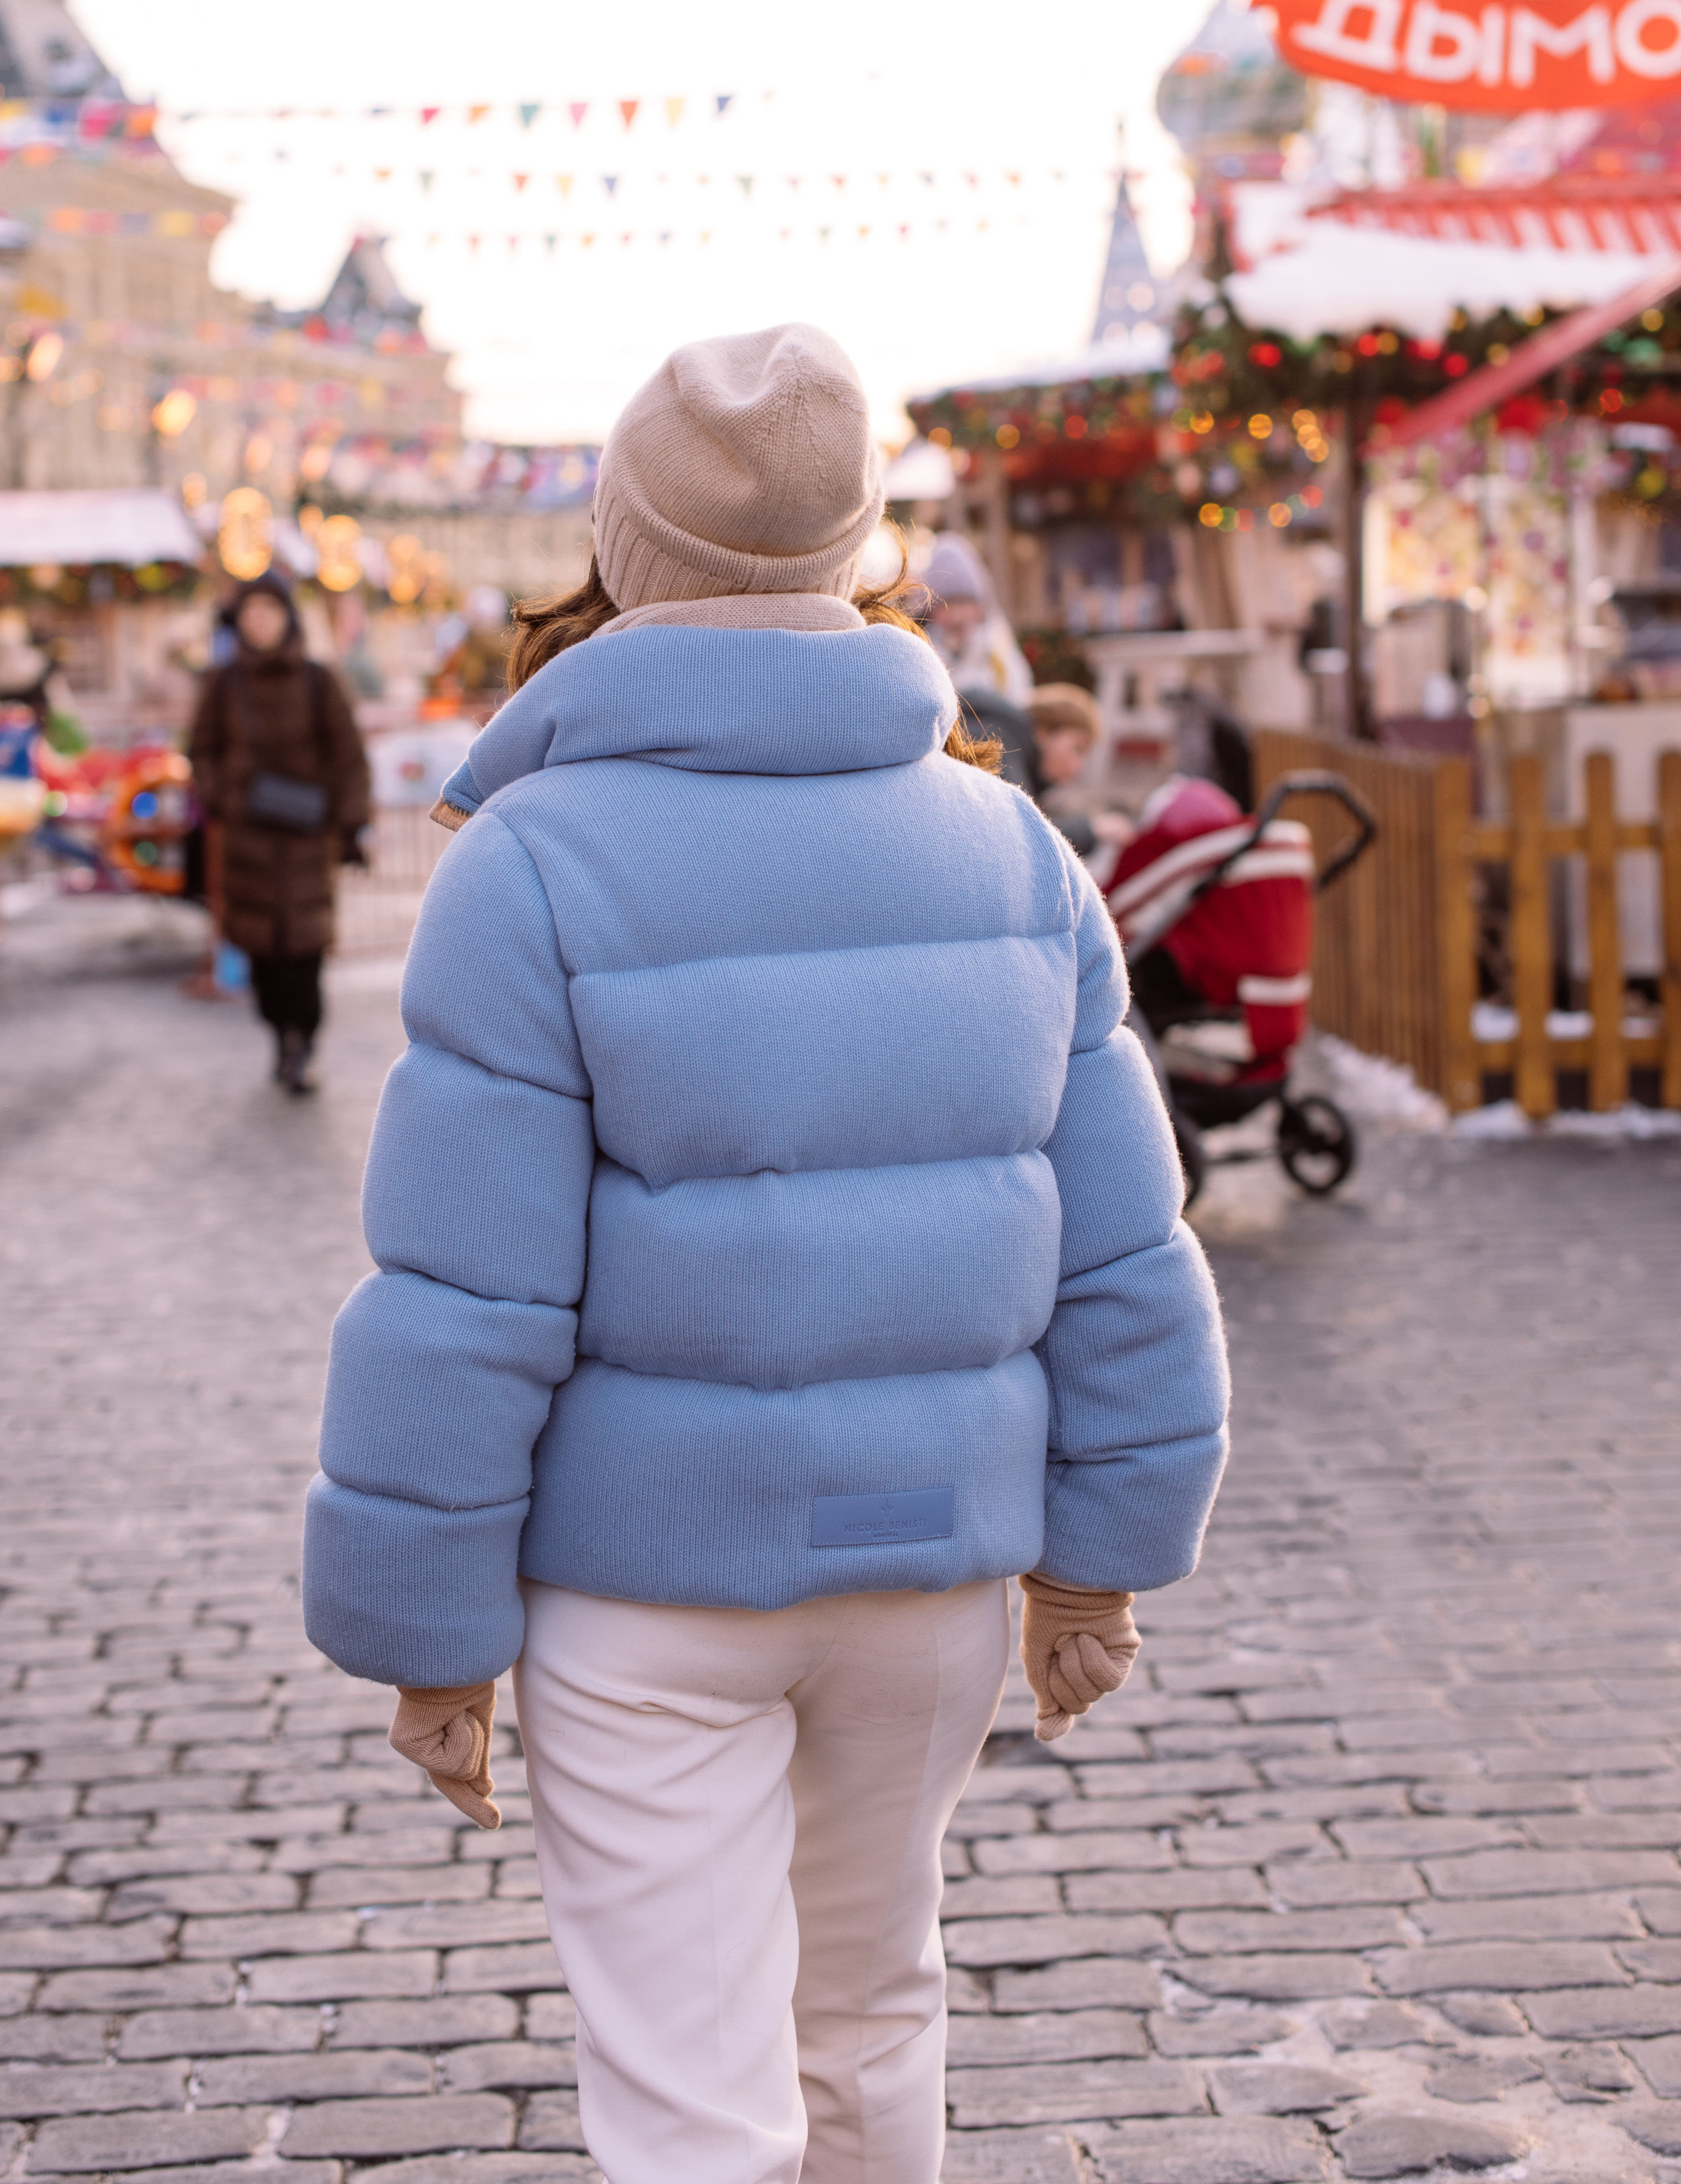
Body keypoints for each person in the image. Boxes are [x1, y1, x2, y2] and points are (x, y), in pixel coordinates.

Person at [303, 325, 1228, 2183]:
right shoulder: (1012, 847)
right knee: (878, 2017)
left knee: (689, 2097)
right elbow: (1129, 1248)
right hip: (930, 1568)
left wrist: (427, 1632)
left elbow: (470, 1291)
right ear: (854, 548)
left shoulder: (536, 861)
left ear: (623, 550)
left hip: (650, 1583)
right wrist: (1096, 1560)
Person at [187, 571, 371, 1094]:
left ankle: (302, 1042)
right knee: (264, 956)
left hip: (308, 838)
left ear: (287, 617)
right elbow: (201, 749)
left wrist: (351, 820)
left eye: (269, 609)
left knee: (304, 954)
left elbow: (348, 756)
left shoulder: (318, 679)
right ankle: (279, 1033)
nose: (259, 620)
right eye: (251, 611)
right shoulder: (224, 682)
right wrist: (223, 798)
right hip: (248, 839)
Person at [919, 527, 1034, 701]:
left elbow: (1021, 697)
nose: (957, 615)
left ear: (981, 607)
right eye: (947, 605)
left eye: (965, 603)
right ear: (930, 611)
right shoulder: (922, 654)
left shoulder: (997, 650)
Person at [1028, 680, 1134, 861]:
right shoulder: (1005, 752)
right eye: (1077, 749)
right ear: (1045, 732)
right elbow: (1023, 835)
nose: (1078, 766)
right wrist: (1093, 829)